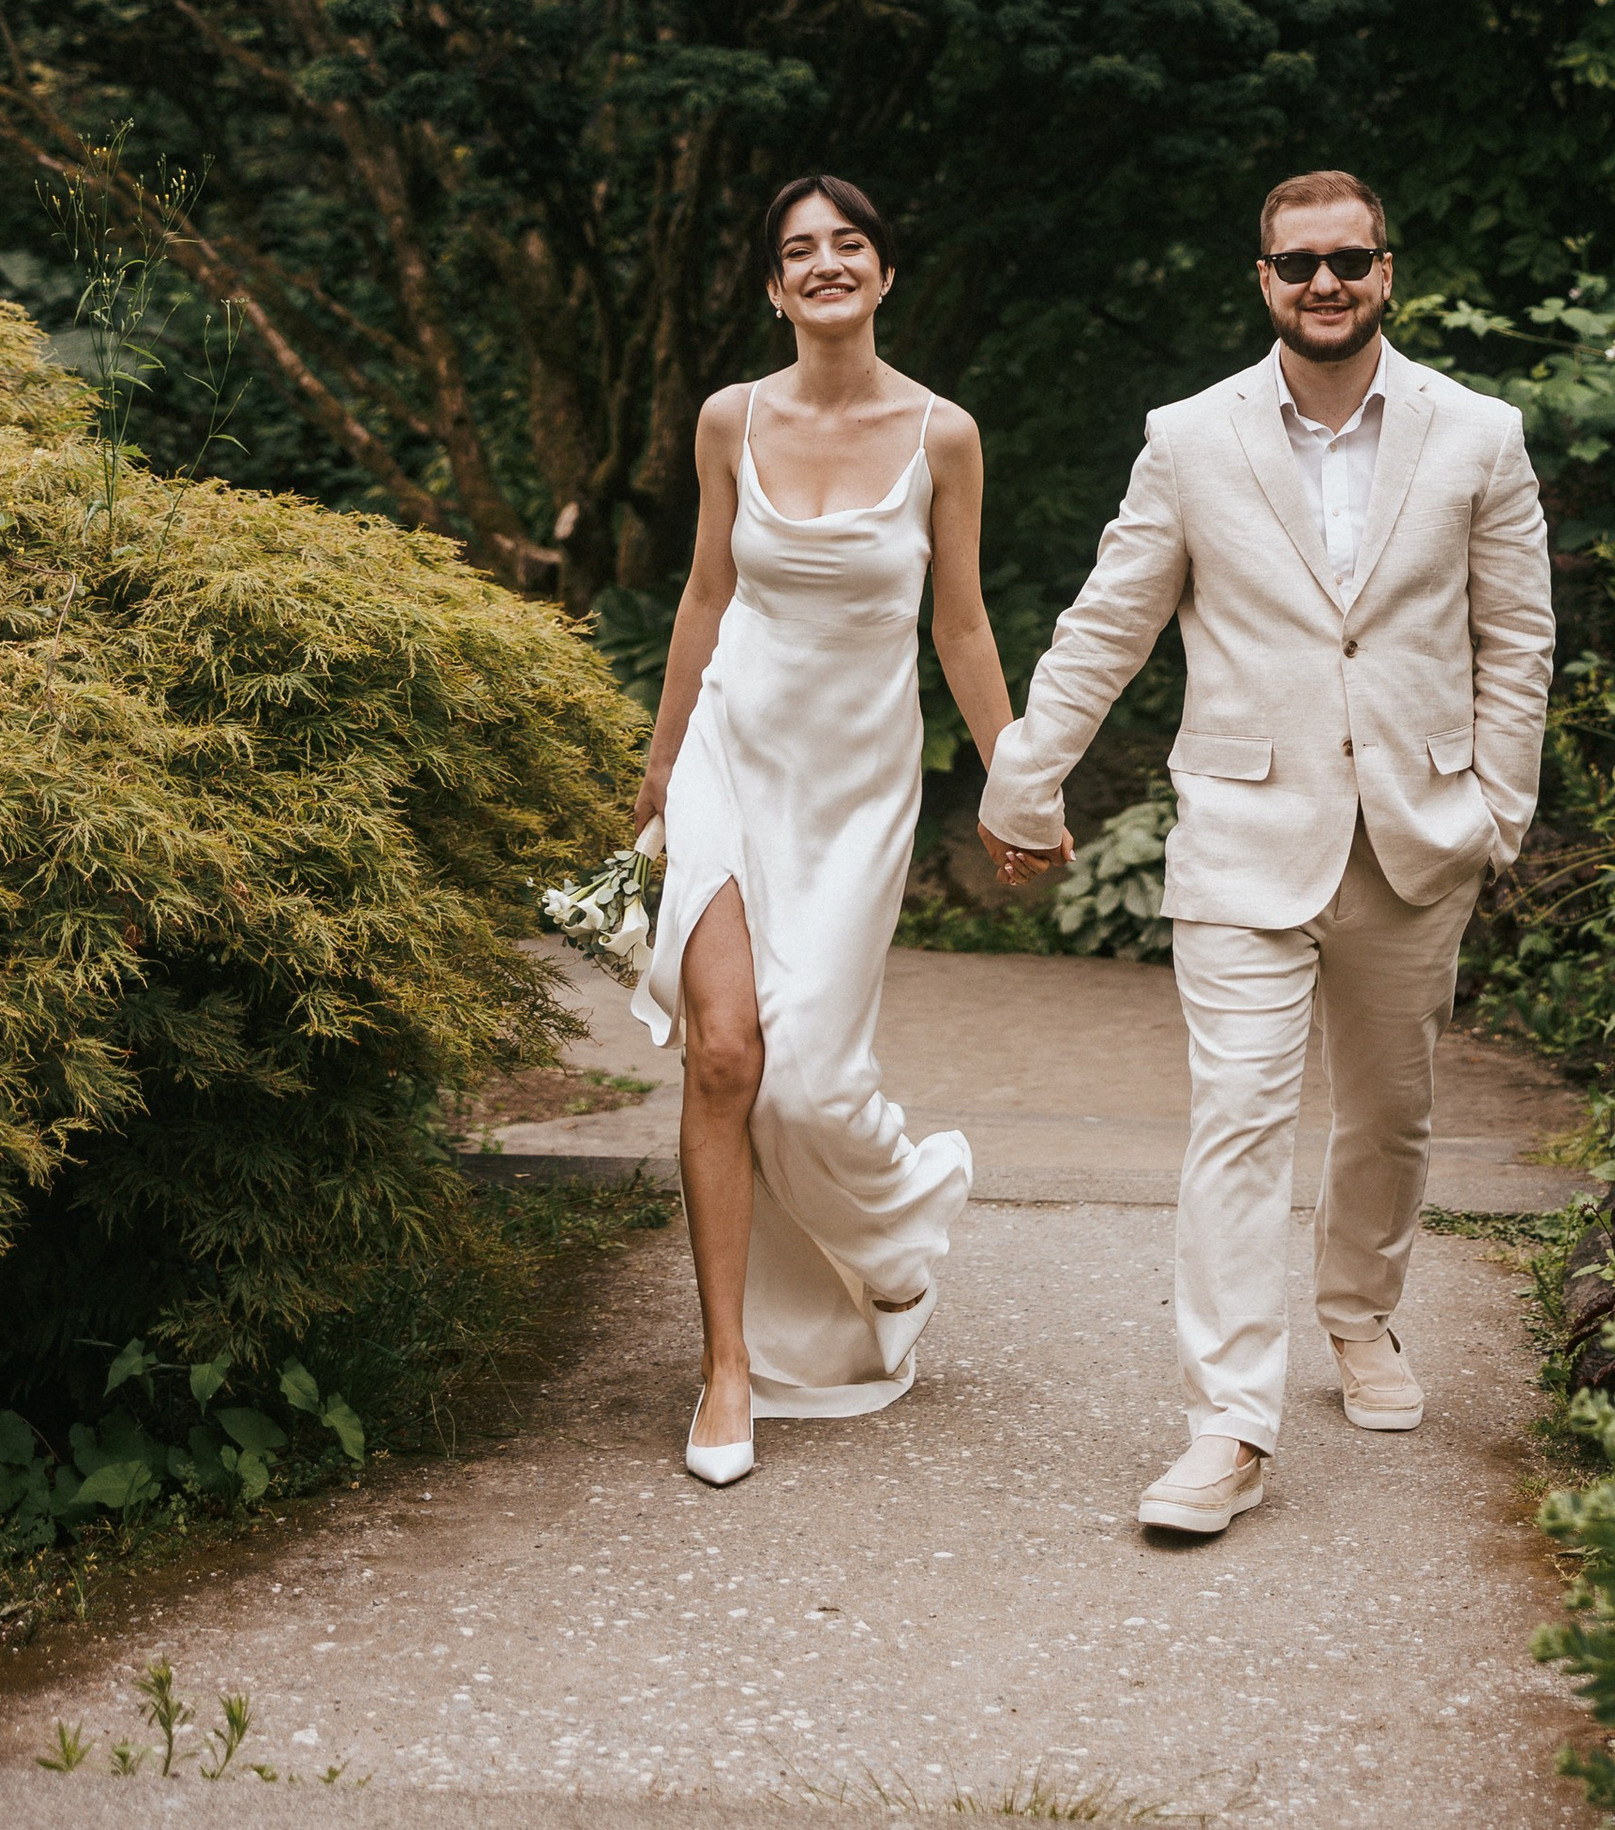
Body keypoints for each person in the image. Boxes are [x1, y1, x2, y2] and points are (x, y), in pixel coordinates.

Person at [978, 168, 1553, 1537]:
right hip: (1243, 830)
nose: (1325, 282)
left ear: (1387, 270)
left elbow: (1517, 640)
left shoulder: (1477, 434)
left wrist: (1496, 813)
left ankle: (1359, 1314)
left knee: (1390, 1110)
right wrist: (1022, 776)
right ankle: (1229, 1423)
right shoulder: (1190, 439)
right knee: (1238, 1119)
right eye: (1298, 262)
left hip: (1418, 836)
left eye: (1349, 258)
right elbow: (1110, 619)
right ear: (1263, 280)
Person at [628, 174, 1052, 1484]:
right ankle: (727, 1367)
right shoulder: (725, 420)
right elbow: (704, 598)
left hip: (858, 791)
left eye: (847, 243)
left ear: (881, 273)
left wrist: (1012, 780)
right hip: (729, 764)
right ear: (773, 285)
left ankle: (898, 1232)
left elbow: (963, 624)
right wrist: (653, 778)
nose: (823, 262)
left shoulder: (943, 435)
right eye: (797, 249)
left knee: (809, 1082)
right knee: (726, 1054)